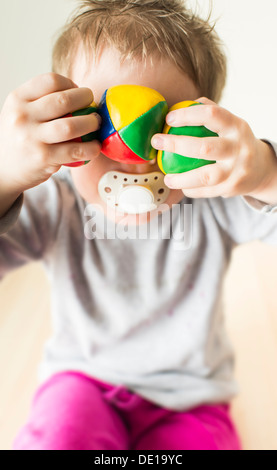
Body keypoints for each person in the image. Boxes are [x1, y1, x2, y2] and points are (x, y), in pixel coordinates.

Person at [1, 0, 277, 451]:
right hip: (81, 380)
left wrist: (266, 172)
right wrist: (5, 176)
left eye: (165, 126)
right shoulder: (57, 202)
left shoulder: (213, 198)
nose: (131, 155)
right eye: (102, 125)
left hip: (190, 398)